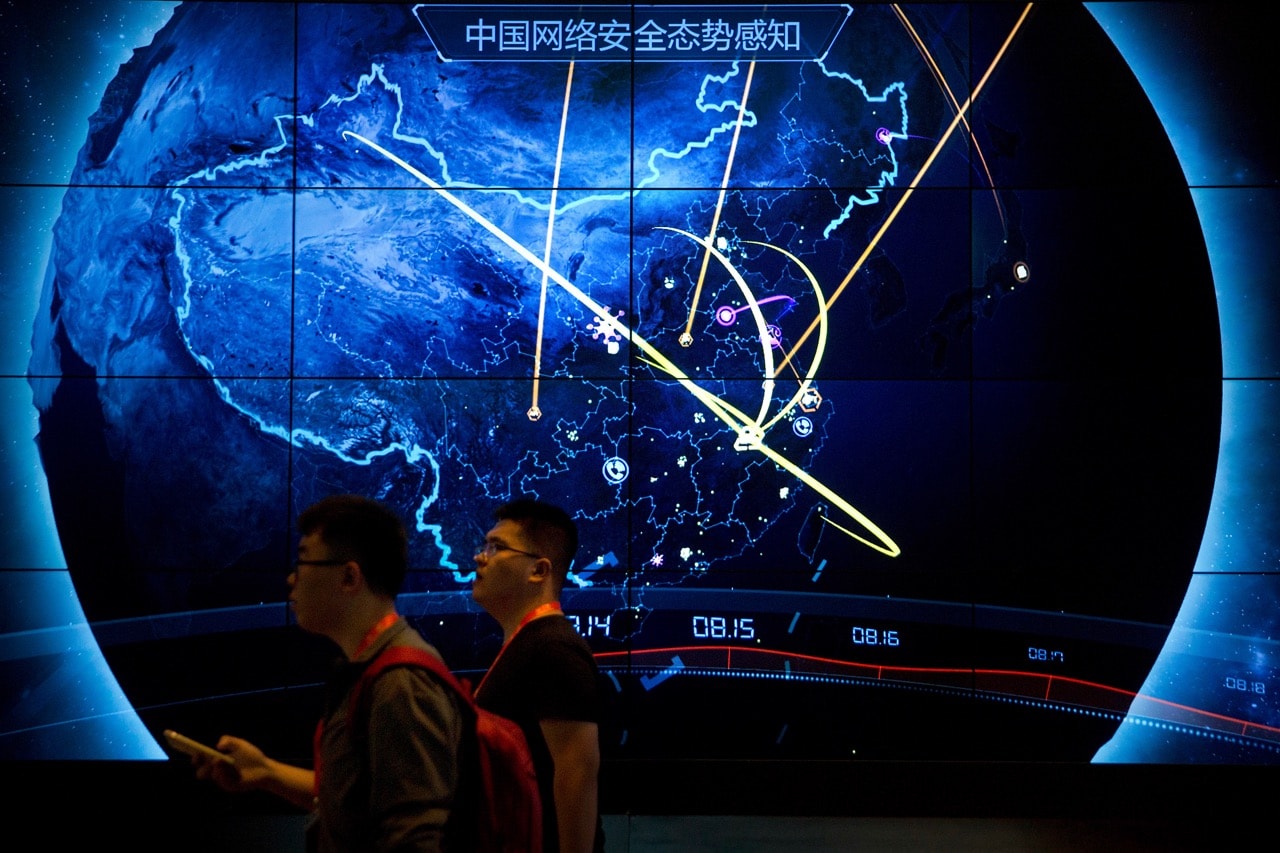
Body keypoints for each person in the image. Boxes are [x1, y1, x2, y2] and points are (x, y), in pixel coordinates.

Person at [189, 494, 466, 852]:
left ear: (349, 577)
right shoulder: (369, 670)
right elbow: (354, 805)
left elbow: (415, 838)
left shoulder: (402, 684)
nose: (291, 579)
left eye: (303, 562)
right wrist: (266, 772)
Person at [471, 498, 606, 853]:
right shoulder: (529, 643)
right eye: (485, 546)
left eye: (496, 548)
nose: (479, 557)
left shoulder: (554, 650)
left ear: (539, 571)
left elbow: (576, 777)